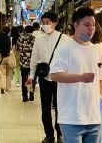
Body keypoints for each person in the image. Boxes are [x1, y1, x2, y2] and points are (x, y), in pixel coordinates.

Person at [49, 7, 102, 143]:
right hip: (71, 118)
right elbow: (54, 75)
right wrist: (80, 77)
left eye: (93, 25)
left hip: (94, 117)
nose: (91, 29)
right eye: (87, 25)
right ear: (76, 25)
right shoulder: (65, 48)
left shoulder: (97, 50)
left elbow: (100, 80)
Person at [27, 12, 72, 143]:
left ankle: (60, 134)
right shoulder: (39, 39)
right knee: (45, 108)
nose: (45, 25)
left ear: (55, 23)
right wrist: (31, 76)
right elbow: (34, 59)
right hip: (44, 78)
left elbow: (69, 59)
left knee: (60, 108)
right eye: (43, 23)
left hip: (60, 79)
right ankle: (49, 135)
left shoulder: (64, 39)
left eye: (48, 22)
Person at [91, 22, 102, 143]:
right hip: (97, 96)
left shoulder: (88, 47)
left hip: (91, 95)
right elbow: (100, 78)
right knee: (99, 130)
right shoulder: (99, 48)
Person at [17, 25, 36, 102]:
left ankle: (24, 96)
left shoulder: (20, 38)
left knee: (24, 78)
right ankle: (31, 94)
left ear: (25, 30)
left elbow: (18, 48)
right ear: (33, 31)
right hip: (33, 63)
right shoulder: (35, 39)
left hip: (23, 62)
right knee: (32, 78)